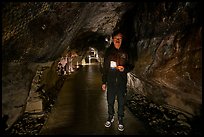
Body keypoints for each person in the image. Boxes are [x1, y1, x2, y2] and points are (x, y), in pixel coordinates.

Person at [101, 30, 133, 131]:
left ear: (122, 39)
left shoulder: (126, 52)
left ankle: (120, 118)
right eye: (115, 39)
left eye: (119, 38)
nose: (117, 40)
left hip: (121, 82)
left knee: (121, 101)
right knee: (110, 101)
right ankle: (110, 116)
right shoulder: (109, 52)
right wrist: (103, 82)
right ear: (113, 40)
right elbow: (105, 68)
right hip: (111, 82)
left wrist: (124, 69)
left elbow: (131, 65)